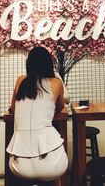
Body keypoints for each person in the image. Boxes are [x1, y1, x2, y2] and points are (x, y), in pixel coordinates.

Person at [7, 47, 68, 185]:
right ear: (49, 64)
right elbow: (60, 107)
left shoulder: (20, 80)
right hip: (53, 168)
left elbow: (14, 107)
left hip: (19, 168)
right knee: (56, 152)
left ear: (29, 64)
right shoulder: (56, 83)